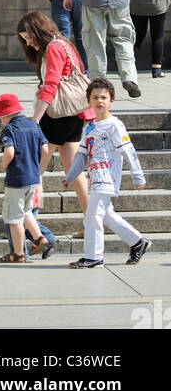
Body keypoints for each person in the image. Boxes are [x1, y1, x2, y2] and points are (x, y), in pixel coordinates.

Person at [63, 77, 150, 269]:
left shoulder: (115, 125)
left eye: (104, 97)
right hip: (94, 178)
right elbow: (81, 155)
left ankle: (93, 256)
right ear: (89, 101)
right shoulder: (90, 127)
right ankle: (137, 242)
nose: (99, 101)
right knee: (106, 214)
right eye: (95, 97)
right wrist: (70, 176)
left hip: (108, 178)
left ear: (111, 100)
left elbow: (128, 150)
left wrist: (138, 175)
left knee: (92, 215)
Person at [16, 10, 89, 217]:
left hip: (56, 117)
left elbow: (52, 85)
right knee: (75, 173)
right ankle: (92, 222)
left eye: (28, 38)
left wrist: (35, 121)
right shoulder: (64, 44)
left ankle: (31, 223)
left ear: (38, 31)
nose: (28, 43)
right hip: (73, 115)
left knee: (34, 170)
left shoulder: (54, 48)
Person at [0, 93, 52, 263]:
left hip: (16, 179)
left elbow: (9, 152)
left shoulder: (9, 129)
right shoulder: (34, 125)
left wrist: (4, 165)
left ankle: (18, 254)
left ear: (5, 115)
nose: (0, 122)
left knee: (13, 218)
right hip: (33, 178)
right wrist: (38, 169)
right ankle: (39, 238)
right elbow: (46, 151)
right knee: (26, 211)